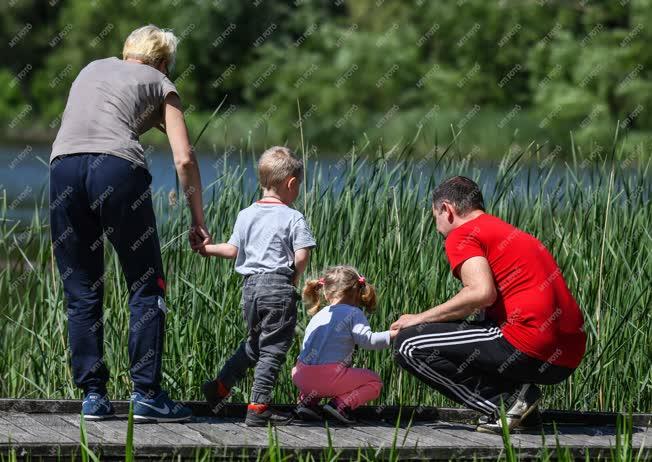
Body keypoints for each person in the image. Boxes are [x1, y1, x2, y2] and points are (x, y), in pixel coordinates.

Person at [49, 25, 211, 422]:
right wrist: (198, 220)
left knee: (82, 288)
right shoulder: (160, 81)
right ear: (162, 61)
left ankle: (93, 397)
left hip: (62, 169)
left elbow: (109, 114)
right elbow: (184, 159)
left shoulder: (90, 69)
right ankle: (147, 394)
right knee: (146, 283)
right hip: (117, 170)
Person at [391, 176, 586, 434]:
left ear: (446, 210)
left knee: (408, 343)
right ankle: (523, 411)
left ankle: (504, 403)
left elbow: (481, 293)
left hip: (528, 342)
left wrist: (418, 318)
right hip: (567, 357)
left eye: (435, 217)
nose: (437, 228)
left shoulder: (462, 233)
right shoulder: (509, 232)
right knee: (479, 327)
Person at [200, 146, 316, 426]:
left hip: (250, 289)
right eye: (298, 186)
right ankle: (258, 406)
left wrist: (207, 249)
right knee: (273, 349)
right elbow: (302, 254)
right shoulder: (292, 217)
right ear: (290, 183)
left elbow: (231, 250)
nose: (297, 191)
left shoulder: (246, 213)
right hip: (277, 286)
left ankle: (220, 387)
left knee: (254, 344)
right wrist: (293, 278)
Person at [292, 266, 397, 425]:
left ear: (326, 293)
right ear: (357, 292)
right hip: (329, 378)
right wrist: (393, 335)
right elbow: (368, 341)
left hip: (301, 376)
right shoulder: (354, 314)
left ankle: (307, 402)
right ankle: (339, 405)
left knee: (318, 367)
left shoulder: (318, 315)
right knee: (374, 382)